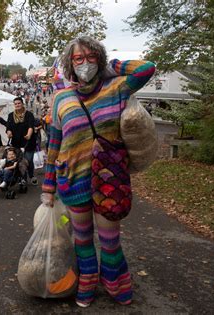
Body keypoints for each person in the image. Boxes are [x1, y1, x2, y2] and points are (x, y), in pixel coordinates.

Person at [42, 36, 155, 307]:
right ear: (69, 64)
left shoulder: (116, 88)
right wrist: (48, 186)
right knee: (82, 239)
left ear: (99, 60)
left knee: (109, 240)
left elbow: (146, 68)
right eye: (78, 59)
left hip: (109, 179)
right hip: (72, 179)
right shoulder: (61, 98)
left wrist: (110, 66)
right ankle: (88, 282)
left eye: (91, 57)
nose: (84, 63)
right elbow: (54, 142)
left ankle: (116, 282)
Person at [6, 97, 37, 185]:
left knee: (28, 160)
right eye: (15, 104)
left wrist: (29, 134)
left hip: (28, 142)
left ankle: (31, 176)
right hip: (16, 143)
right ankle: (22, 178)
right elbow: (8, 127)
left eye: (19, 103)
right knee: (19, 161)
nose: (17, 105)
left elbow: (31, 126)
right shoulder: (11, 115)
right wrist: (9, 133)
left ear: (22, 104)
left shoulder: (29, 114)